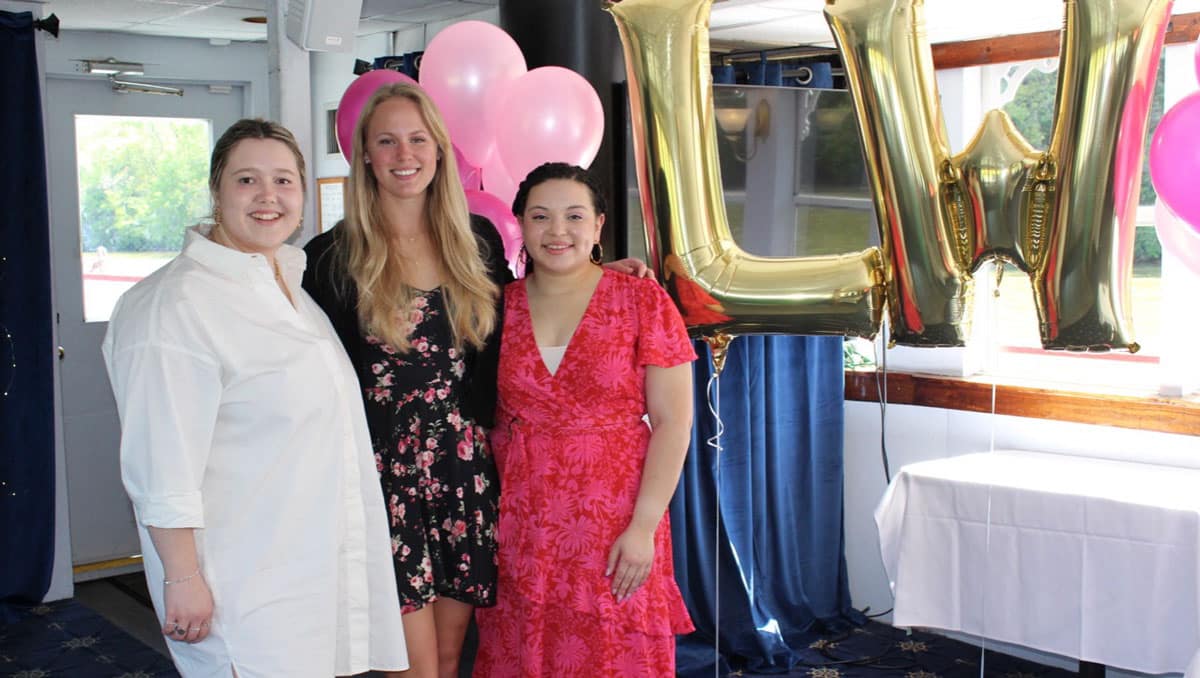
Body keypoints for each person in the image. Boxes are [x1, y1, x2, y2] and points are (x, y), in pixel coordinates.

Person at [303, 82, 651, 678]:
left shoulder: (478, 243)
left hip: (467, 472)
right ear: (364, 154)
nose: (403, 153)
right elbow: (309, 376)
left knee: (446, 656)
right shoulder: (331, 257)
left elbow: (530, 297)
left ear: (440, 151)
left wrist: (600, 272)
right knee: (406, 664)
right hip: (382, 476)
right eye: (386, 141)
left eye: (417, 139)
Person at [101, 118, 408, 678]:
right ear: (217, 191)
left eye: (284, 181)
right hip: (240, 584)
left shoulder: (288, 284)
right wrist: (182, 578)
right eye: (247, 180)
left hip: (305, 572)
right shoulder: (174, 305)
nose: (269, 197)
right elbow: (160, 462)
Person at [473, 163, 696, 677]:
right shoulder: (493, 307)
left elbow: (673, 424)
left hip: (616, 519)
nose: (557, 231)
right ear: (521, 226)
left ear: (598, 225)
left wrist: (643, 527)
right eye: (541, 216)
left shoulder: (642, 300)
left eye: (574, 216)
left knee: (614, 654)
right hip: (522, 523)